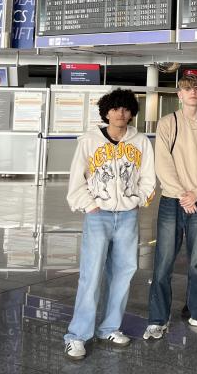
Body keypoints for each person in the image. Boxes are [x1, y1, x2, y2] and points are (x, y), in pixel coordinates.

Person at [63, 89, 156, 360]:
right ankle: (77, 335)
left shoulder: (140, 142)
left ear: (132, 113)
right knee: (91, 275)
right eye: (115, 109)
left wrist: (138, 199)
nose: (120, 114)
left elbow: (148, 176)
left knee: (124, 272)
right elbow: (77, 178)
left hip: (127, 216)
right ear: (106, 112)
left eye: (126, 109)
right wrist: (89, 204)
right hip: (98, 215)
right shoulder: (89, 141)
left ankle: (109, 328)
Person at [144, 74, 197, 340]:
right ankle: (158, 318)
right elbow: (162, 163)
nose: (192, 92)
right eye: (187, 89)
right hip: (172, 200)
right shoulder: (168, 123)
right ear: (179, 95)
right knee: (163, 261)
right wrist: (182, 195)